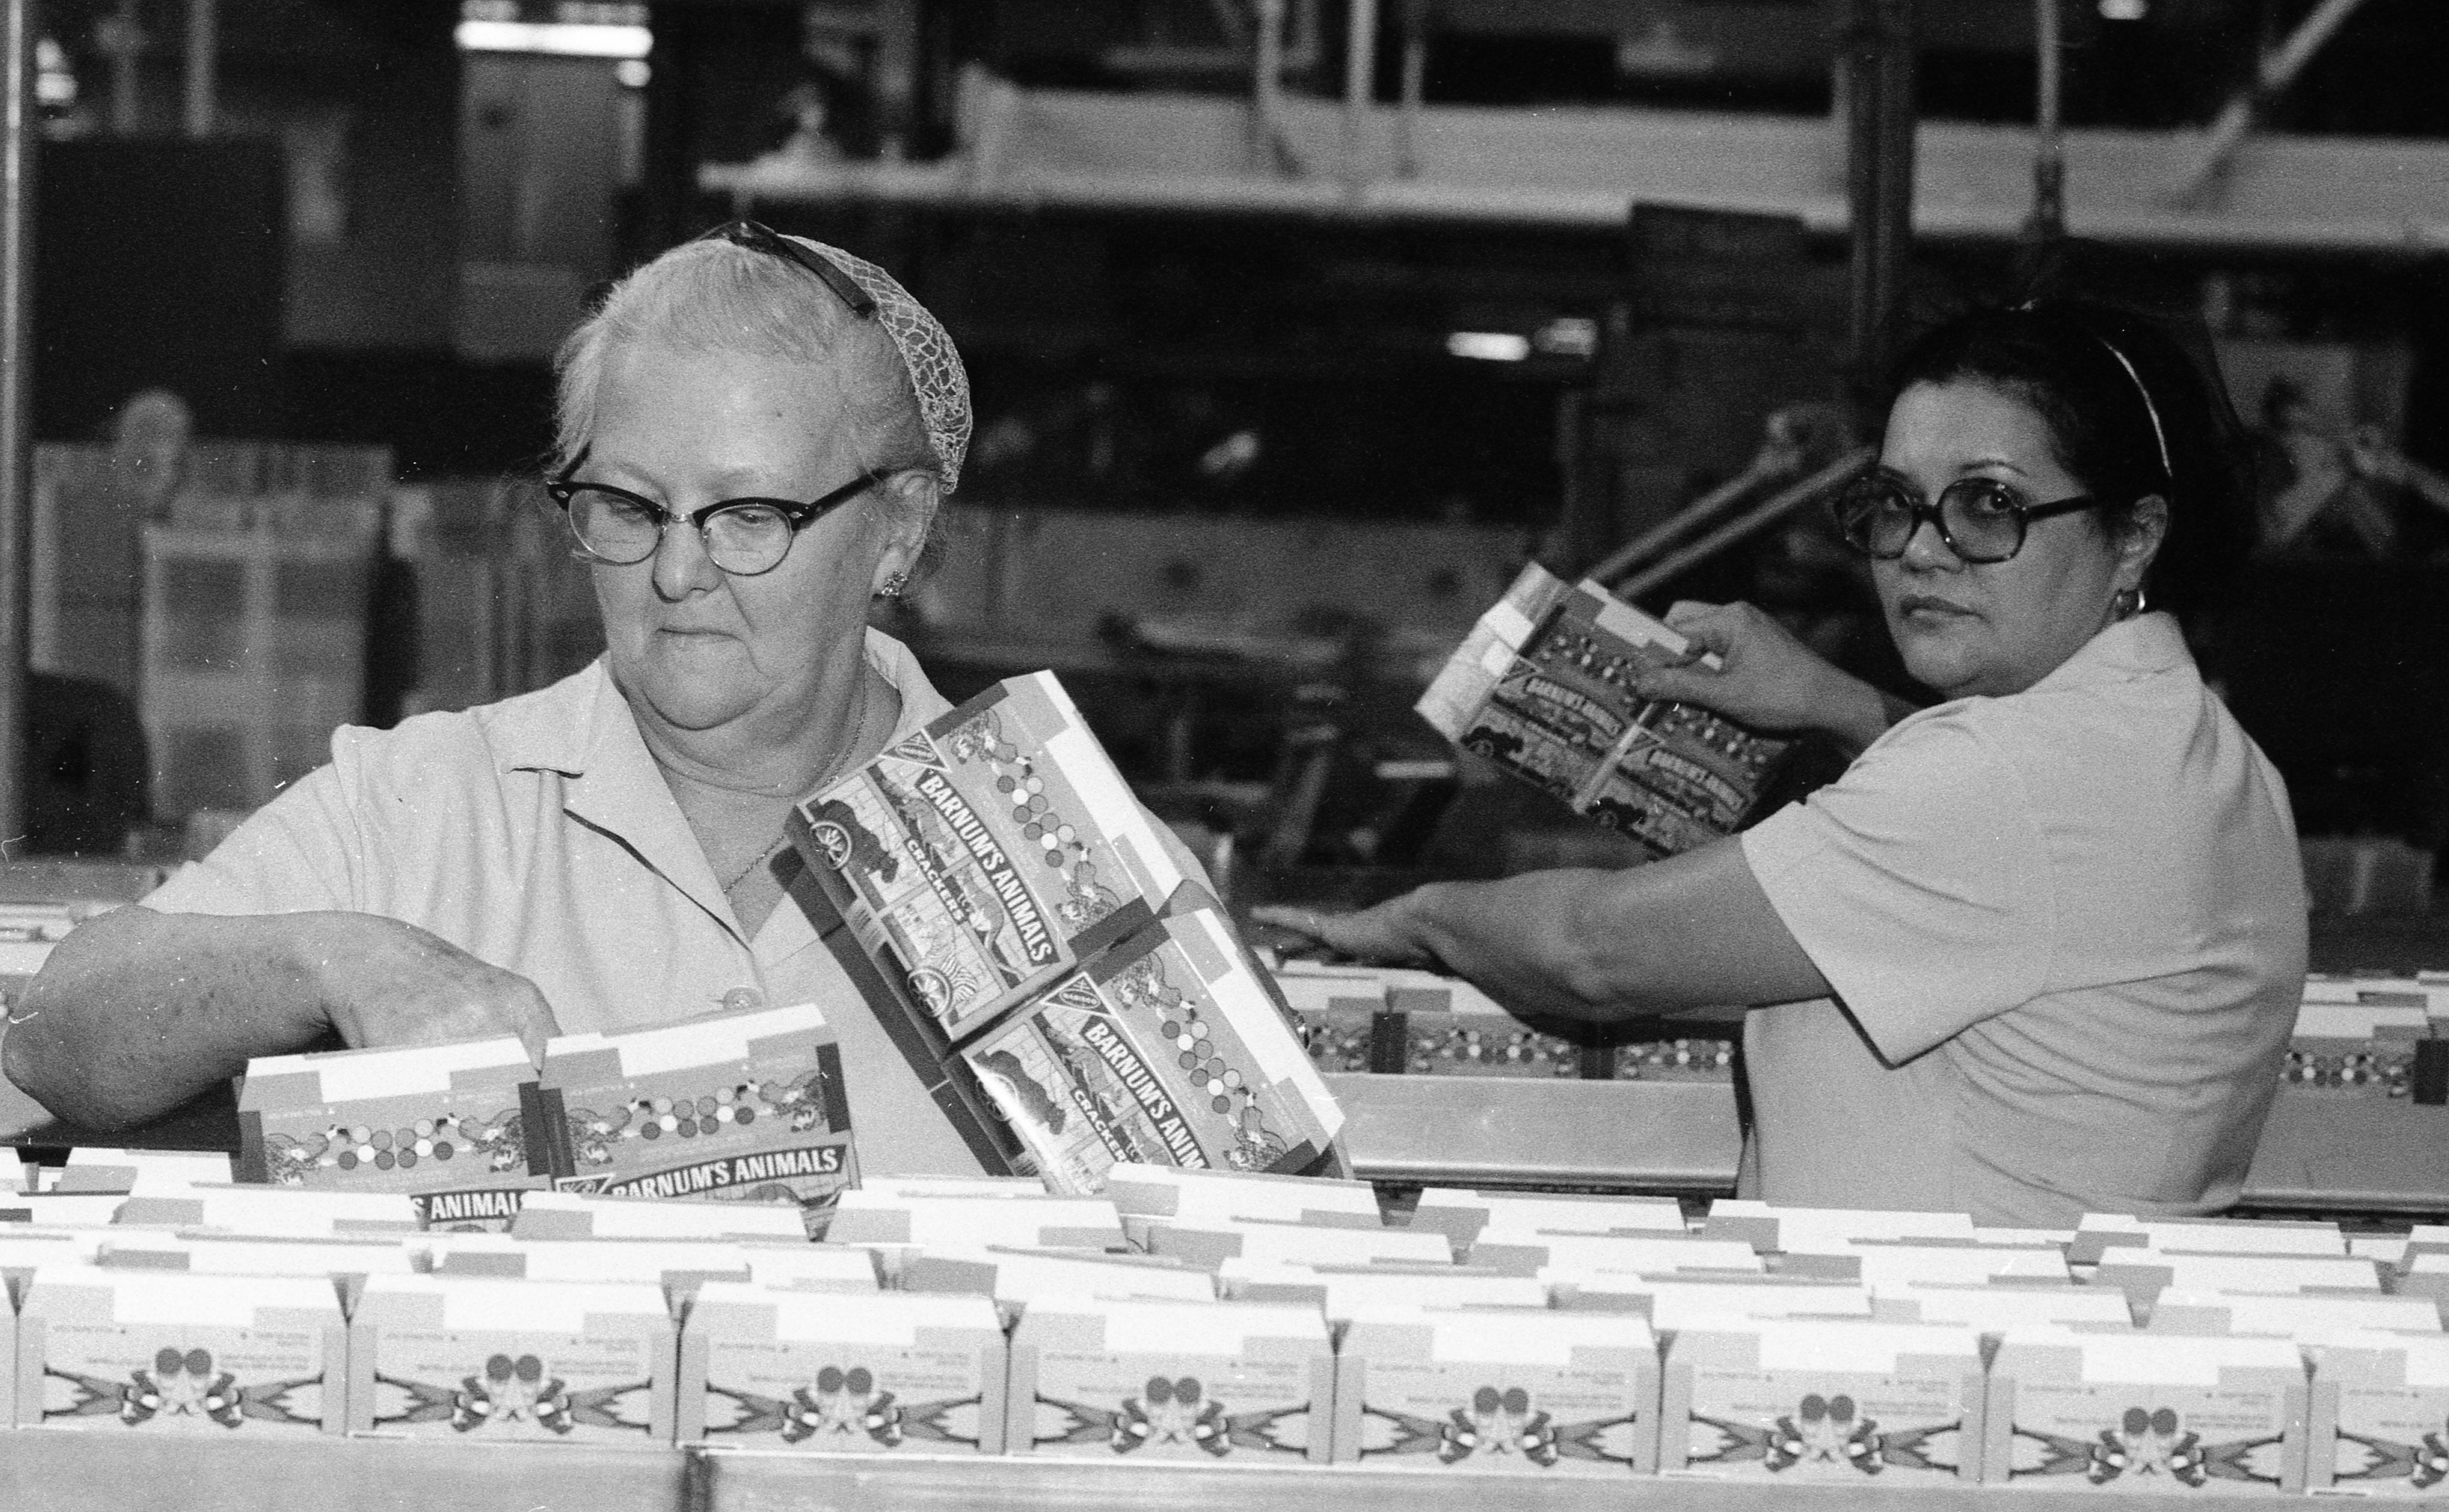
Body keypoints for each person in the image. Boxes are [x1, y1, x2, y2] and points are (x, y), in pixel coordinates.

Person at [3, 222, 1021, 1176]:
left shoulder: (1053, 853)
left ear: (897, 528)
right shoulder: (426, 803)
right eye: (628, 506)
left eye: (748, 516)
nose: (675, 572)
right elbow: (54, 1034)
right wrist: (330, 956)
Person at [1264, 297, 2307, 1227]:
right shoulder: (2209, 755)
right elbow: (2040, 861)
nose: (1921, 548)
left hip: (1917, 1377)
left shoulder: (1994, 777)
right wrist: (1834, 701)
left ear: (2133, 536)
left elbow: (1591, 951)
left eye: (1990, 504)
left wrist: (1416, 914)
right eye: (1897, 501)